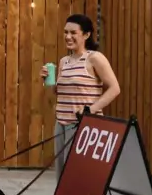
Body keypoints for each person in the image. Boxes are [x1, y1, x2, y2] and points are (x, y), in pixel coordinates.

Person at [41, 14, 120, 182]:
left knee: (79, 176)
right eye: (65, 32)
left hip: (83, 125)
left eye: (73, 33)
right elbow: (59, 92)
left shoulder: (94, 58)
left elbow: (115, 88)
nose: (68, 37)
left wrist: (89, 110)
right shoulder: (64, 61)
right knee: (62, 176)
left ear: (86, 35)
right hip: (61, 123)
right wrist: (48, 81)